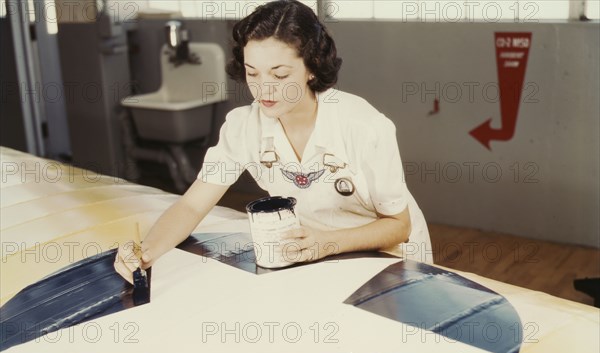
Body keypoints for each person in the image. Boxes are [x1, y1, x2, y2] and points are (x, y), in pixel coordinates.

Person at [115, 0, 431, 283]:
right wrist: (144, 254)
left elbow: (398, 225)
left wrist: (328, 242)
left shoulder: (363, 125)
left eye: (279, 75)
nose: (264, 90)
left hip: (392, 257)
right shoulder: (244, 126)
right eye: (253, 74)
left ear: (311, 68)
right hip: (314, 250)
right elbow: (192, 204)